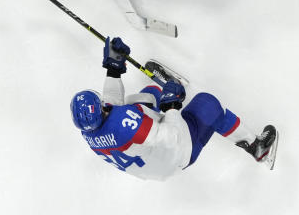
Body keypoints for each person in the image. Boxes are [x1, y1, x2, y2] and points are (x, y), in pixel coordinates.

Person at [71, 36, 279, 180]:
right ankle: (257, 148)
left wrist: (114, 70)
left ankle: (169, 93)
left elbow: (112, 107)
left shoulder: (89, 130)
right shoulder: (126, 125)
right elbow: (171, 138)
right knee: (209, 104)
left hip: (150, 158)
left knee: (145, 95)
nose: (104, 105)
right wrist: (171, 106)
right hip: (176, 155)